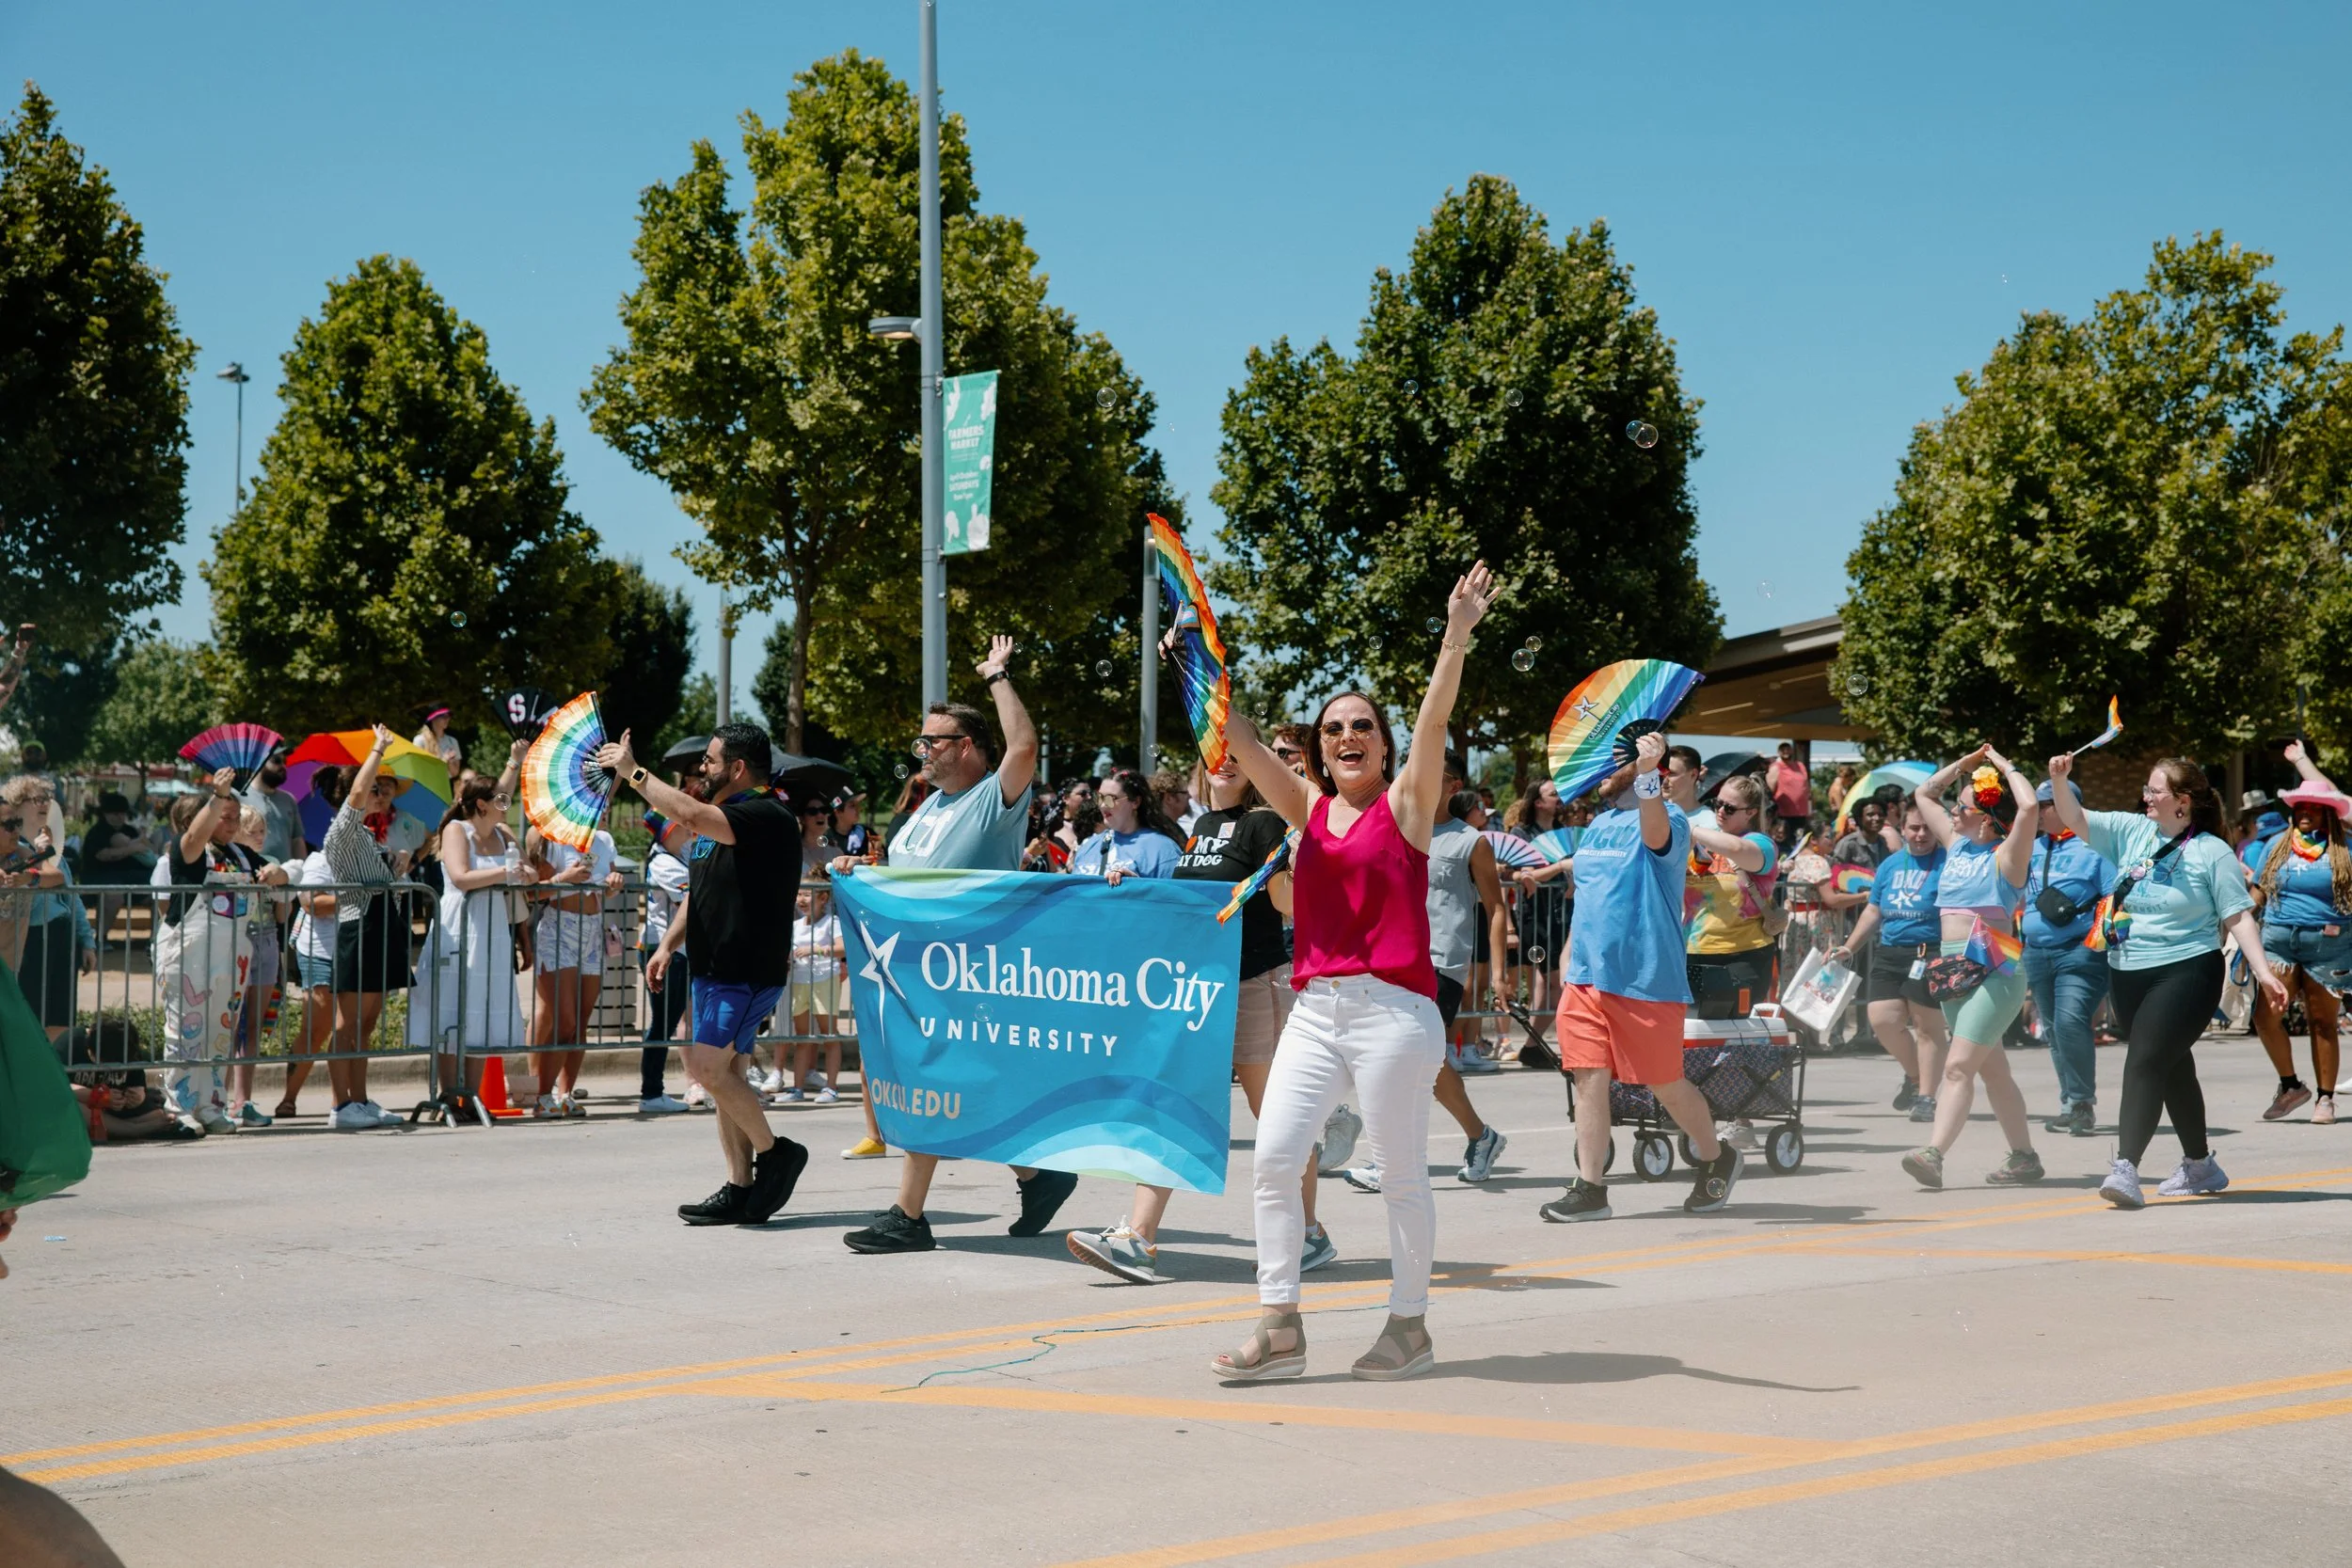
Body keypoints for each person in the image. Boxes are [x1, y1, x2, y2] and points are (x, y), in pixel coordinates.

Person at [1207, 562, 1496, 1385]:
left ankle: (1409, 1326)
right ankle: (1281, 1324)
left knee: (1401, 1174)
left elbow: (1436, 716)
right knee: (1273, 1159)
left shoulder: (1405, 805)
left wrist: (1456, 634)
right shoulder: (1305, 808)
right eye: (1333, 728)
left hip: (1396, 1016)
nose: (1346, 736)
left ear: (1383, 742)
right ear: (1319, 747)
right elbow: (1244, 740)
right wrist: (1202, 660)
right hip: (1316, 1010)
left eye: (1362, 724)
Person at [834, 635, 1072, 1253]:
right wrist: (860, 873)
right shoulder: (925, 808)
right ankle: (1038, 1173)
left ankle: (908, 1215)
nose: (921, 752)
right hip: (916, 973)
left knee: (933, 1082)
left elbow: (1023, 745)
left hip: (968, 971)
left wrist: (997, 674)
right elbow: (907, 879)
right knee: (970, 1088)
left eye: (930, 741)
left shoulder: (994, 799)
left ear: (965, 746)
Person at [1065, 747, 1337, 1284]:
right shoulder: (1205, 824)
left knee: (1279, 1119)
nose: (1226, 762)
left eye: (1239, 755)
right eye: (1217, 753)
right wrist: (1139, 887)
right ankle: (1139, 1239)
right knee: (1173, 1102)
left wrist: (1300, 865)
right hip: (1202, 991)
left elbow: (1285, 903)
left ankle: (1308, 1234)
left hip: (1256, 983)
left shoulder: (1263, 824)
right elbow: (1194, 900)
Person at [2044, 752, 2288, 1209]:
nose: (2146, 797)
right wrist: (2060, 780)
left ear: (2182, 801)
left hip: (2188, 969)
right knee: (2171, 1065)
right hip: (2128, 969)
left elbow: (2237, 915)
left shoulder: (2211, 851)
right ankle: (2201, 1164)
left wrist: (2262, 972)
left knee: (2144, 1061)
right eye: (2147, 789)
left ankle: (2126, 1169)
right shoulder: (2132, 830)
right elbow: (2074, 818)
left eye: (2155, 791)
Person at [596, 721, 810, 1226]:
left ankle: (777, 1153)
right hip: (714, 968)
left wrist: (633, 773)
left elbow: (687, 811)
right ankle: (739, 1186)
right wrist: (667, 946)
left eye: (712, 761)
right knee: (727, 1076)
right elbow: (701, 890)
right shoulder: (726, 821)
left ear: (737, 768)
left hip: (744, 969)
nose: (703, 768)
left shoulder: (765, 814)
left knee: (709, 1070)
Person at [1538, 728, 1746, 1227]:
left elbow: (1656, 836)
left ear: (1639, 765)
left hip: (1645, 978)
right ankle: (1590, 1188)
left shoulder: (1668, 815)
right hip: (1587, 978)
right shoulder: (1598, 825)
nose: (1601, 776)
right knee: (1589, 1081)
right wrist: (1570, 958)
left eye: (1611, 764)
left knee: (1664, 1083)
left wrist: (1652, 775)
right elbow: (1590, 897)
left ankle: (1716, 1154)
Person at [1336, 765, 1510, 1191]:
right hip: (1389, 958)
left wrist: (1500, 974)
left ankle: (1388, 1162)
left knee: (1402, 1059)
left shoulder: (1472, 841)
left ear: (1454, 786)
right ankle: (1481, 1136)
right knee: (1424, 1064)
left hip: (1439, 965)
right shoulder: (1392, 828)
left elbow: (1496, 907)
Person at [1894, 747, 2044, 1190]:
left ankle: (1933, 1153)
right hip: (1954, 969)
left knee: (1957, 1066)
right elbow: (1924, 792)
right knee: (1993, 1071)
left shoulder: (2008, 857)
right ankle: (2025, 1157)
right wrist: (1963, 766)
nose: (1952, 813)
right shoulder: (1956, 845)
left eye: (1962, 807)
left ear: (1983, 818)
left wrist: (2004, 767)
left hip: (1995, 970)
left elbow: (2030, 805)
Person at [154, 767, 287, 1132]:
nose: (231, 824)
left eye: (233, 818)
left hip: (233, 955)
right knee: (184, 1029)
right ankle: (178, 1105)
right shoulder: (187, 852)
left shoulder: (242, 856)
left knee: (220, 1031)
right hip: (190, 951)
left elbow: (280, 873)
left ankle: (211, 1105)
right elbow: (196, 835)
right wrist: (217, 796)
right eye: (224, 818)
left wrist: (278, 874)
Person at [409, 777, 530, 1119]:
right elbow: (461, 876)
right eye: (500, 800)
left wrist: (520, 871)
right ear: (481, 804)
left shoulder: (505, 834)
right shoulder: (456, 831)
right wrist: (505, 871)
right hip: (460, 924)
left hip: (493, 925)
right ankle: (449, 1095)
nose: (506, 805)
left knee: (484, 1006)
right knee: (453, 1006)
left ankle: (470, 1098)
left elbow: (527, 871)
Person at [318, 730, 418, 1131]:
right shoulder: (343, 827)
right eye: (376, 787)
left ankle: (359, 1099)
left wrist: (398, 868)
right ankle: (342, 1106)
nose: (381, 794)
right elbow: (357, 795)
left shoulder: (367, 836)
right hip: (359, 928)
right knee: (350, 1023)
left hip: (380, 927)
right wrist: (377, 749)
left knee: (367, 1024)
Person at [2247, 747, 2352, 1124]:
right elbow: (2259, 890)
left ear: (2327, 813)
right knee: (2265, 1016)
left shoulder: (2345, 848)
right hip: (2278, 941)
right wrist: (2237, 915)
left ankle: (2325, 1099)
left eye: (2313, 807)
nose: (2305, 813)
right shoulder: (2277, 846)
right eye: (2300, 807)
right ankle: (2291, 1085)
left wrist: (2302, 761)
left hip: (2330, 945)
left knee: (2323, 1022)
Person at [1831, 802, 1949, 1120]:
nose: (1921, 834)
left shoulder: (1948, 861)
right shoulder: (1891, 865)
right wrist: (1849, 947)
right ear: (1903, 829)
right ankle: (1915, 1079)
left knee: (1928, 1027)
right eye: (1914, 828)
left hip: (1930, 951)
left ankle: (1927, 1096)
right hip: (1891, 950)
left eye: (1927, 828)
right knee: (1882, 1019)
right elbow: (1873, 910)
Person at [2023, 778, 2117, 1137]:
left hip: (2079, 951)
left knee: (2069, 1022)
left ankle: (2081, 1103)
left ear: (2066, 807)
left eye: (2045, 805)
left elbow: (2113, 896)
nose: (2039, 811)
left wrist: (2098, 937)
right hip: (2036, 952)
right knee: (2054, 1030)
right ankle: (2070, 1102)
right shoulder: (2031, 848)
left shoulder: (2095, 848)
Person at [526, 818, 621, 1117]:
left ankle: (565, 1094)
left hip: (592, 932)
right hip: (558, 931)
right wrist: (564, 879)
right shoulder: (553, 838)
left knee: (581, 1024)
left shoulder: (604, 840)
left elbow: (604, 885)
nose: (603, 809)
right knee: (564, 1021)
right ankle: (543, 1096)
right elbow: (531, 893)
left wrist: (613, 886)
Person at [1683, 773, 1783, 1022]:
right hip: (1693, 952)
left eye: (1729, 807)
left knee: (1735, 1038)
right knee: (1692, 1038)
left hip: (1743, 956)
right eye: (1717, 803)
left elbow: (1737, 850)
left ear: (1750, 812)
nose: (1720, 811)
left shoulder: (1761, 844)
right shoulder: (1701, 844)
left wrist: (1692, 828)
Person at [636, 816, 692, 1115]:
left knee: (666, 1023)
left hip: (675, 950)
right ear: (668, 831)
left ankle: (653, 1091)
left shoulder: (677, 853)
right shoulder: (663, 862)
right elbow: (691, 895)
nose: (688, 828)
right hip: (664, 950)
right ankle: (651, 1092)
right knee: (662, 1024)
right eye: (680, 824)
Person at [778, 884, 845, 1104]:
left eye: (807, 894)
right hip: (800, 981)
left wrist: (815, 950)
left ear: (823, 897)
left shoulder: (831, 922)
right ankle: (797, 1088)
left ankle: (831, 1087)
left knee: (829, 1035)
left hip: (825, 980)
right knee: (802, 1037)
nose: (801, 900)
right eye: (798, 894)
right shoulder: (795, 925)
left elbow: (842, 948)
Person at [1069, 769, 1183, 879]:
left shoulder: (1162, 849)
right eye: (1101, 798)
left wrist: (1135, 887)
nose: (1103, 806)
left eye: (1111, 799)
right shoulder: (1088, 846)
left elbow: (1174, 896)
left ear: (1135, 802)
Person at [242, 755, 307, 864]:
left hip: (285, 875)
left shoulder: (289, 799)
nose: (283, 766)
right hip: (252, 874)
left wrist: (302, 869)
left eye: (284, 761)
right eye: (276, 760)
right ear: (258, 762)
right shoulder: (239, 797)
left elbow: (297, 840)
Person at [1767, 742, 1813, 850]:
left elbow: (1807, 789)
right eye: (1783, 749)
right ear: (1779, 752)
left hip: (1801, 813)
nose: (1786, 751)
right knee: (1783, 842)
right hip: (1783, 813)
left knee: (1800, 840)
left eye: (1788, 749)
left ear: (1792, 751)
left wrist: (1810, 809)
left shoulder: (1800, 766)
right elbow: (1769, 790)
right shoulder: (1776, 767)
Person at [412, 705, 465, 778]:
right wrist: (444, 760)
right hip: (428, 784)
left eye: (448, 716)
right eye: (443, 717)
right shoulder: (420, 740)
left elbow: (455, 773)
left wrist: (449, 762)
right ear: (433, 719)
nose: (447, 719)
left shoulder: (452, 741)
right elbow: (417, 768)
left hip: (447, 784)